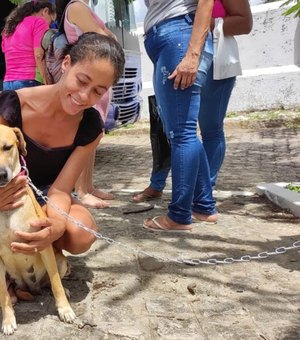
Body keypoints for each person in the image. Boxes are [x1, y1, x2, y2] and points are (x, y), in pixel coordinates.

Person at [0, 32, 125, 256]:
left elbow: (60, 189)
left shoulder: (90, 126)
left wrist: (56, 226)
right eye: (82, 81)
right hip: (5, 190)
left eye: (98, 91)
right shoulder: (11, 106)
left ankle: (41, 254)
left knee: (80, 234)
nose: (84, 96)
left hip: (45, 195)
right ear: (66, 63)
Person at [133, 0, 253, 204]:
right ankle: (159, 184)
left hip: (213, 55)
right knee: (170, 127)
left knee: (208, 129)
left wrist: (202, 23)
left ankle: (202, 194)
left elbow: (244, 22)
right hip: (176, 47)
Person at [142, 0, 217, 232]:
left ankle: (179, 216)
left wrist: (193, 54)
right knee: (184, 131)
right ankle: (204, 206)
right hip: (171, 39)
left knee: (182, 133)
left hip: (179, 38)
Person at [55, 0, 117, 209]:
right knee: (85, 136)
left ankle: (88, 186)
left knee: (93, 136)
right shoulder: (76, 7)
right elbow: (105, 40)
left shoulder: (84, 7)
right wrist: (110, 38)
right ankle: (81, 190)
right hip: (90, 74)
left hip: (95, 78)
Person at [1, 0, 56, 90]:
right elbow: (38, 55)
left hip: (8, 82)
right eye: (51, 20)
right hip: (29, 80)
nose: (50, 25)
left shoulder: (9, 27)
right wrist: (47, 83)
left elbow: (7, 56)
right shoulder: (39, 22)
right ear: (45, 11)